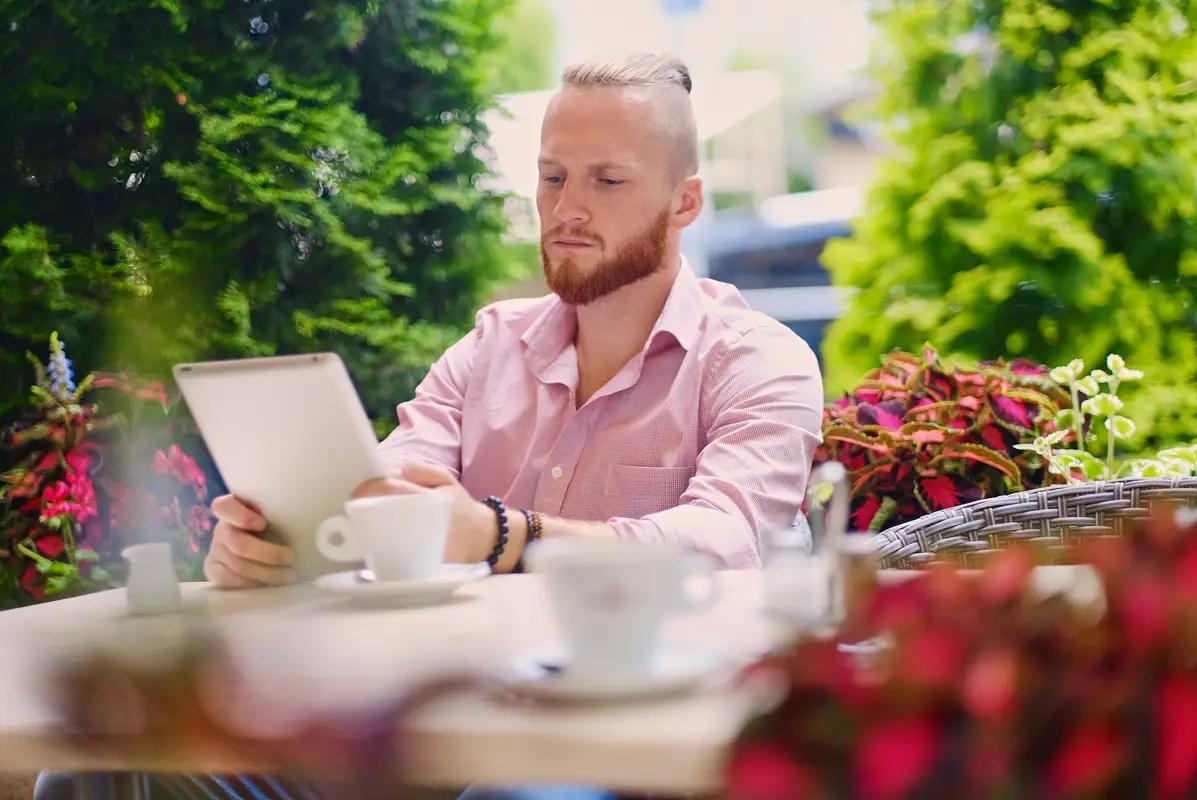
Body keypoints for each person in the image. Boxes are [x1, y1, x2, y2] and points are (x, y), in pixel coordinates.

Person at [35, 52, 823, 800]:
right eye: (552, 177)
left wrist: (504, 534)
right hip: (425, 735)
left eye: (607, 180)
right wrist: (285, 545)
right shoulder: (489, 348)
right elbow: (385, 488)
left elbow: (729, 545)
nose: (566, 208)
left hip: (622, 751)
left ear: (684, 201)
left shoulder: (758, 361)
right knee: (94, 763)